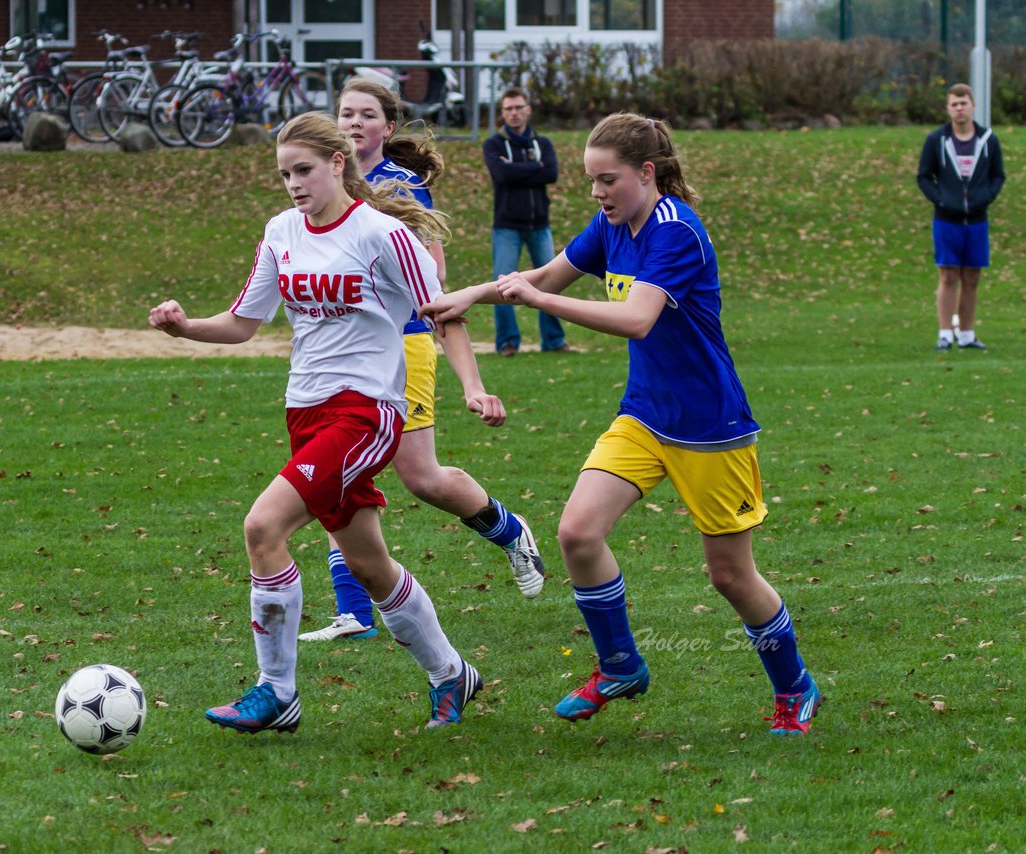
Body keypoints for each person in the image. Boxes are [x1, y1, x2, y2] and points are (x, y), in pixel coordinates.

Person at [423, 112, 821, 735]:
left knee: (729, 575)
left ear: (646, 172)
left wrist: (538, 301)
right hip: (644, 414)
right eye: (589, 181)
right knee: (578, 533)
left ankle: (795, 687)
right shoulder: (612, 227)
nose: (597, 192)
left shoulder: (676, 233)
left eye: (607, 180)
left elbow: (636, 319)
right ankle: (619, 665)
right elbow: (540, 279)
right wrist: (472, 294)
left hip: (710, 425)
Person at [149, 112, 484, 732]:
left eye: (303, 170)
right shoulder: (281, 232)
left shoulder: (382, 234)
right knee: (369, 565)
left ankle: (277, 693)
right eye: (284, 174)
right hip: (305, 411)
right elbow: (243, 322)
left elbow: (442, 312)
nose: (293, 184)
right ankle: (452, 674)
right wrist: (186, 326)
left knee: (262, 526)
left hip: (366, 413)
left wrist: (473, 386)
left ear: (337, 164)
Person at [294, 78, 546, 645]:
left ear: (388, 126)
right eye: (345, 114)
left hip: (402, 347)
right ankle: (354, 612)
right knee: (336, 473)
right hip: (342, 353)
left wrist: (472, 383)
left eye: (366, 115)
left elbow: (435, 292)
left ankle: (509, 531)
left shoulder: (400, 189)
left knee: (422, 478)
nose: (355, 122)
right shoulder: (318, 184)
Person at [917, 82, 1005, 351]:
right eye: (954, 104)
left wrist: (983, 199)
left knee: (972, 277)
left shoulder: (988, 140)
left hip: (977, 221)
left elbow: (998, 176)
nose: (959, 109)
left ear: (973, 106)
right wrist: (942, 199)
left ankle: (966, 334)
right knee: (948, 275)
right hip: (946, 220)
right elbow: (924, 176)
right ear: (948, 108)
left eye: (963, 103)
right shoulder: (937, 140)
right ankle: (945, 333)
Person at [483, 86, 568, 357]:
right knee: (503, 286)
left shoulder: (542, 144)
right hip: (506, 225)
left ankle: (553, 341)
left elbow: (551, 173)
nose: (514, 113)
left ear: (528, 109)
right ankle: (508, 342)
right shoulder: (494, 144)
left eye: (519, 107)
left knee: (552, 283)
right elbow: (502, 174)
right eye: (508, 109)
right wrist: (535, 169)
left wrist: (516, 169)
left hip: (539, 224)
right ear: (502, 113)